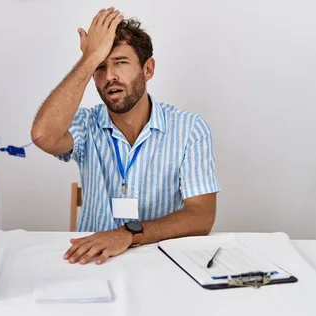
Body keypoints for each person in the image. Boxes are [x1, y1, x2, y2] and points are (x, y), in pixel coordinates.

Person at [30, 7, 219, 265]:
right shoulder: (86, 125)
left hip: (161, 262)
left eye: (120, 62)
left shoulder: (190, 129)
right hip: (93, 262)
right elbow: (43, 136)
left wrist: (127, 234)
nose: (109, 77)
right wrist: (88, 58)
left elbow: (201, 217)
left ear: (148, 69)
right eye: (100, 66)